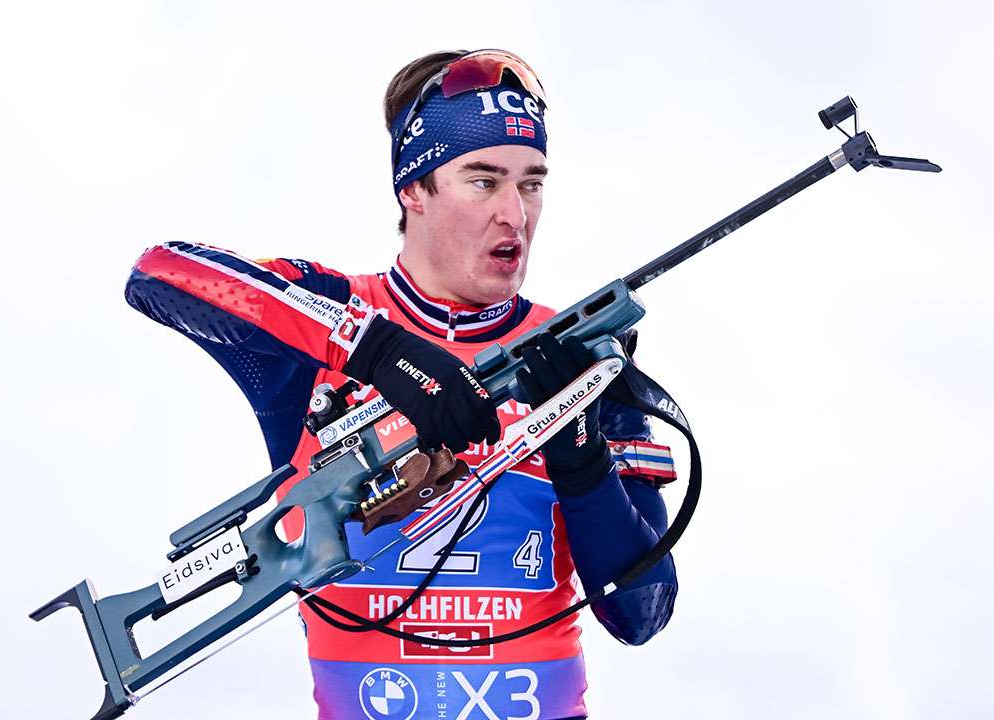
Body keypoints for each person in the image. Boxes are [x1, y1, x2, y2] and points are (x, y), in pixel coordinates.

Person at [125, 49, 679, 720]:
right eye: (483, 181)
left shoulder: (580, 353)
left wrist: (582, 454)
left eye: (531, 183)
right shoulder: (326, 315)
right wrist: (373, 346)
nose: (516, 214)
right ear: (412, 190)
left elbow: (641, 613)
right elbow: (159, 274)